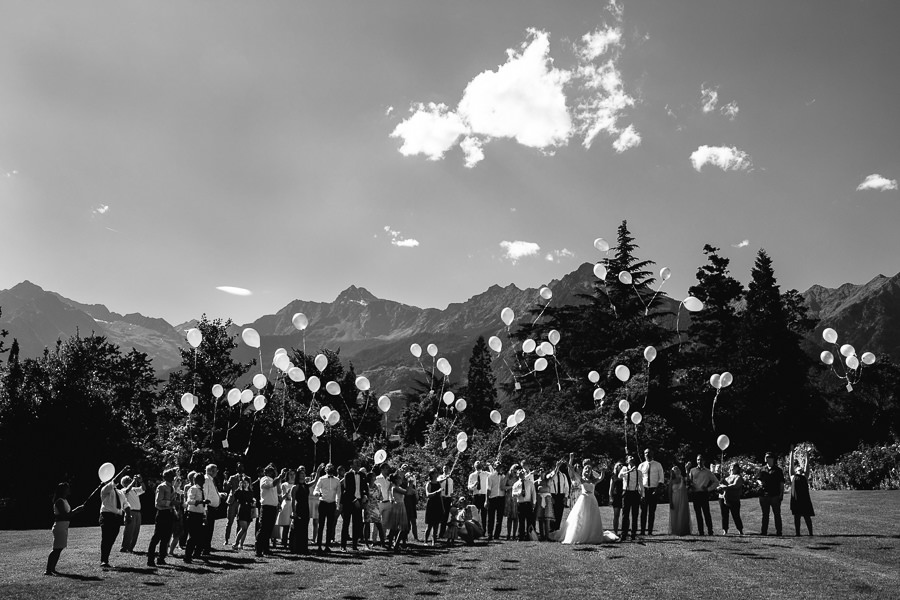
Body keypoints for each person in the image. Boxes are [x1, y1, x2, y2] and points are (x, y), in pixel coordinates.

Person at [551, 465, 619, 544]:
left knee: (592, 517)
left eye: (589, 469)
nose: (588, 470)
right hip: (583, 499)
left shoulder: (593, 480)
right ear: (584, 470)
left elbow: (601, 478)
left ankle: (591, 535)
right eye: (586, 468)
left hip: (592, 499)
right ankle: (578, 535)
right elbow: (573, 472)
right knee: (580, 517)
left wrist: (603, 471)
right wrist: (569, 464)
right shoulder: (582, 479)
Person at [46, 482, 83, 575]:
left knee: (59, 548)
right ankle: (48, 570)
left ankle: (52, 569)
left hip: (64, 526)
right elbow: (65, 515)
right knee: (56, 549)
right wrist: (76, 510)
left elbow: (68, 514)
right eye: (67, 488)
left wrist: (75, 511)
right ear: (63, 490)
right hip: (60, 526)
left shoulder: (64, 500)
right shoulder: (59, 501)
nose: (69, 489)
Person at [146, 467, 178, 567]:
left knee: (166, 538)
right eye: (172, 475)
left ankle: (161, 558)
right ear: (167, 477)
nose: (174, 477)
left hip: (169, 513)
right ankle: (150, 559)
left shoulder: (172, 487)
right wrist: (171, 502)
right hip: (162, 514)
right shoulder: (162, 487)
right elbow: (158, 502)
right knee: (157, 537)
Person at [99, 472, 131, 568]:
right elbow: (115, 481)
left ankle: (106, 558)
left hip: (117, 517)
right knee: (106, 538)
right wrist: (123, 471)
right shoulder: (105, 489)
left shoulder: (120, 492)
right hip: (107, 516)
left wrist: (128, 515)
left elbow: (126, 504)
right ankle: (104, 560)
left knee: (112, 538)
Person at [313, 463, 341, 553]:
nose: (330, 469)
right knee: (321, 525)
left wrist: (337, 505)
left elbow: (338, 494)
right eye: (328, 468)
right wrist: (317, 493)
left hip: (332, 504)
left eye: (331, 468)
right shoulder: (321, 479)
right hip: (323, 503)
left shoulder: (337, 480)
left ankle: (327, 545)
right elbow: (315, 490)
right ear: (325, 470)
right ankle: (319, 546)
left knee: (330, 526)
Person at [689, 454, 719, 536]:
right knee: (698, 514)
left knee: (706, 513)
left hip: (704, 494)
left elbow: (716, 482)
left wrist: (708, 489)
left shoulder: (708, 472)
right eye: (698, 460)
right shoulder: (692, 471)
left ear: (704, 461)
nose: (699, 461)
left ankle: (710, 531)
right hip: (695, 494)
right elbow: (689, 482)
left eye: (701, 460)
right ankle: (701, 531)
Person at [756, 451, 785, 536]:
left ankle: (779, 531)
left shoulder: (778, 470)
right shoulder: (762, 469)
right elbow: (758, 478)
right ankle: (764, 531)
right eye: (766, 457)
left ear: (772, 459)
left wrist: (781, 494)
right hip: (764, 495)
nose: (766, 459)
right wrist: (759, 482)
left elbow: (781, 483)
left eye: (768, 457)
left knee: (777, 514)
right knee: (765, 514)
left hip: (775, 495)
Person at [183, 472, 210, 563]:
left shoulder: (202, 490)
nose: (204, 482)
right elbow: (189, 501)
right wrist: (201, 501)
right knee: (193, 537)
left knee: (200, 536)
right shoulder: (193, 489)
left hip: (200, 514)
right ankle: (187, 556)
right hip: (192, 514)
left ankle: (196, 554)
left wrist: (204, 515)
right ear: (197, 480)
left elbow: (203, 506)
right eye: (202, 480)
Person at [638, 449, 665, 536]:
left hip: (654, 489)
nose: (647, 454)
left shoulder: (658, 465)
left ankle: (650, 531)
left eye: (649, 452)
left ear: (652, 454)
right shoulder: (641, 465)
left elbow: (661, 478)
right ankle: (642, 531)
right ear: (644, 455)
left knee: (652, 511)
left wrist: (657, 489)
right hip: (644, 489)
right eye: (645, 453)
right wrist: (640, 491)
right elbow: (638, 479)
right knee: (643, 511)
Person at [256, 465, 282, 557]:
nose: (273, 472)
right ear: (267, 472)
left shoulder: (274, 480)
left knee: (269, 529)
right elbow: (269, 486)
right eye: (271, 471)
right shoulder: (264, 478)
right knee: (263, 529)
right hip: (266, 507)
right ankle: (258, 549)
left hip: (273, 507)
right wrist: (279, 478)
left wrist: (279, 480)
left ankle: (266, 549)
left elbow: (279, 492)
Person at [340, 460, 366, 552]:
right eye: (356, 464)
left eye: (359, 463)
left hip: (359, 502)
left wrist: (364, 497)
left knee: (357, 524)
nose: (358, 465)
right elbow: (347, 490)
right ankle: (343, 546)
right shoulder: (348, 475)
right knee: (346, 524)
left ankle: (355, 546)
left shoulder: (362, 475)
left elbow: (364, 489)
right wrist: (354, 500)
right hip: (349, 502)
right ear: (351, 465)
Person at [789, 450, 815, 536]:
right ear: (796, 470)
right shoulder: (792, 476)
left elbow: (807, 465)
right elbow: (791, 465)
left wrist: (807, 455)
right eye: (797, 467)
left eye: (800, 467)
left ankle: (811, 533)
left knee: (807, 517)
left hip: (804, 499)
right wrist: (792, 453)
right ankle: (797, 533)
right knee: (797, 517)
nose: (799, 467)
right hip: (796, 499)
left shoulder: (805, 476)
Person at [383, 472, 409, 552]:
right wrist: (410, 484)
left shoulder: (397, 487)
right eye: (399, 478)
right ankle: (395, 545)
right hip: (398, 507)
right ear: (396, 480)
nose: (401, 479)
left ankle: (393, 545)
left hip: (399, 506)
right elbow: (407, 492)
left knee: (395, 528)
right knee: (400, 527)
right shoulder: (395, 487)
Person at [619, 455, 643, 541]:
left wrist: (642, 495)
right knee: (625, 514)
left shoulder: (639, 472)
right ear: (627, 461)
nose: (632, 458)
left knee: (635, 514)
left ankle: (633, 534)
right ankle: (624, 534)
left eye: (633, 457)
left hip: (635, 493)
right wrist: (629, 471)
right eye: (630, 457)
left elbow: (641, 483)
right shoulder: (624, 469)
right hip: (626, 493)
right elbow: (619, 476)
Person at [717, 463, 744, 536]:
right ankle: (725, 530)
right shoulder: (726, 477)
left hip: (733, 498)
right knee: (724, 515)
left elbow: (735, 485)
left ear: (737, 468)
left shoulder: (738, 477)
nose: (732, 468)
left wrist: (725, 487)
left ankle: (740, 529)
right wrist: (720, 486)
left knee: (735, 515)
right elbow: (719, 484)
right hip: (722, 497)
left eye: (734, 467)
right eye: (731, 466)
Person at [119, 474, 144, 553]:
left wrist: (141, 481)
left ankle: (130, 548)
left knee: (136, 531)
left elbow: (143, 489)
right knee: (129, 531)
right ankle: (124, 547)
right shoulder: (123, 490)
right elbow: (127, 490)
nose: (131, 481)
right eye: (129, 480)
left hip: (138, 512)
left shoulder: (134, 489)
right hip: (130, 512)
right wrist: (134, 481)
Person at [546, 456, 571, 533]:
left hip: (561, 496)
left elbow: (566, 486)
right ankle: (551, 530)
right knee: (552, 513)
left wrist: (566, 497)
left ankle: (557, 529)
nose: (557, 467)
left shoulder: (563, 475)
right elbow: (548, 485)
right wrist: (550, 497)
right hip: (553, 495)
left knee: (559, 513)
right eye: (555, 466)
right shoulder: (549, 475)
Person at [200, 464, 221, 554]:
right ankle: (205, 548)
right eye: (216, 471)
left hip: (211, 507)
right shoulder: (207, 479)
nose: (217, 472)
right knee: (207, 529)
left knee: (209, 528)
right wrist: (205, 509)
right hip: (208, 508)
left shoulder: (210, 479)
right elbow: (205, 494)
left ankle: (206, 547)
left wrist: (219, 495)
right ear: (212, 471)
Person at [290, 466, 311, 554]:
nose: (303, 475)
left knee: (305, 528)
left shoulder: (306, 485)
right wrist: (293, 511)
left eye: (304, 474)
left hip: (306, 508)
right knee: (298, 528)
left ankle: (304, 548)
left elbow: (316, 480)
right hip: (299, 508)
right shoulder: (295, 487)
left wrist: (318, 471)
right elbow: (293, 500)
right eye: (301, 474)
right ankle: (296, 548)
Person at [224, 463, 245, 546]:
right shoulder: (232, 477)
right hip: (232, 501)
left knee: (239, 523)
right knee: (229, 522)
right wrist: (225, 479)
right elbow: (226, 488)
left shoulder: (246, 478)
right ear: (237, 468)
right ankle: (226, 540)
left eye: (242, 466)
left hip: (241, 502)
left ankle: (237, 540)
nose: (241, 468)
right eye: (239, 467)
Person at [512, 467, 535, 541]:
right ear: (518, 474)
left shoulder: (530, 483)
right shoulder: (516, 484)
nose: (522, 473)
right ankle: (520, 536)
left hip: (528, 503)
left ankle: (528, 536)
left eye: (523, 472)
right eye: (520, 472)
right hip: (520, 504)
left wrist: (534, 502)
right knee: (521, 521)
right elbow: (513, 494)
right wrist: (519, 493)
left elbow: (533, 493)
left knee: (529, 520)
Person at [363, 470, 384, 548]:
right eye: (373, 476)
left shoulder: (378, 486)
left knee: (379, 524)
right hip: (367, 506)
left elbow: (380, 497)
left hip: (375, 507)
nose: (374, 477)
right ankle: (366, 543)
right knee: (367, 524)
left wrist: (380, 496)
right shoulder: (366, 486)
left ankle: (383, 543)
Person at [274, 468, 295, 549]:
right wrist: (286, 494)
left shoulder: (296, 484)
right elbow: (281, 497)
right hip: (286, 504)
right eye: (290, 474)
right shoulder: (284, 485)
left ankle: (291, 542)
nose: (292, 476)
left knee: (291, 525)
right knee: (284, 524)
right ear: (288, 476)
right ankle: (282, 541)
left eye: (293, 474)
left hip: (293, 505)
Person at [232, 477, 254, 550]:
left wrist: (253, 502)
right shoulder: (240, 491)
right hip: (242, 509)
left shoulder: (250, 491)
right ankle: (236, 543)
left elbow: (251, 500)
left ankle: (241, 545)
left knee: (246, 529)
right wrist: (239, 488)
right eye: (244, 483)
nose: (245, 484)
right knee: (243, 528)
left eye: (246, 483)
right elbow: (236, 497)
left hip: (248, 510)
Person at [467, 461, 489, 533]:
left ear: (482, 466)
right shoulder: (472, 475)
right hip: (476, 496)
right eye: (477, 465)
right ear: (474, 466)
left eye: (479, 465)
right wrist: (474, 485)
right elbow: (469, 487)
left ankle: (484, 531)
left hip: (484, 496)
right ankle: (475, 530)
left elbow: (493, 474)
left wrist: (490, 466)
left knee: (484, 515)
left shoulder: (486, 474)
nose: (478, 466)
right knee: (475, 514)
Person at [486, 461, 506, 541]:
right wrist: (486, 500)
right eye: (497, 466)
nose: (499, 467)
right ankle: (490, 534)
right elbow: (488, 489)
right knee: (490, 518)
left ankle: (497, 535)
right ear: (494, 467)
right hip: (492, 498)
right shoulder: (490, 476)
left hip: (501, 498)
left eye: (500, 466)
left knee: (499, 518)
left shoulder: (503, 476)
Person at [668, 464, 690, 535]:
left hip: (683, 498)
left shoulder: (682, 478)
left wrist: (687, 470)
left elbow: (688, 482)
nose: (676, 469)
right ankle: (676, 530)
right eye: (674, 469)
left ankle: (684, 530)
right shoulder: (671, 481)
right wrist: (670, 502)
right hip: (675, 499)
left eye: (677, 468)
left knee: (683, 513)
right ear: (672, 472)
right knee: (675, 514)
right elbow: (669, 492)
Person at [423, 468, 443, 546]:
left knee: (436, 525)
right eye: (434, 473)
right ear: (431, 474)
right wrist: (436, 492)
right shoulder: (429, 483)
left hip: (438, 504)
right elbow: (428, 495)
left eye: (436, 473)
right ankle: (425, 541)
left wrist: (442, 507)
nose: (436, 474)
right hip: (431, 504)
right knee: (430, 525)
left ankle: (434, 542)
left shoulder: (438, 483)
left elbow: (440, 496)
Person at [437, 464, 454, 539]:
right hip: (441, 498)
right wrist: (445, 478)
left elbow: (451, 491)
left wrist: (451, 500)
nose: (445, 469)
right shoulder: (440, 477)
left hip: (448, 498)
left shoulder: (451, 480)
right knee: (439, 516)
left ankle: (442, 533)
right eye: (444, 468)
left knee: (446, 516)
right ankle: (435, 533)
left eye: (447, 468)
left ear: (449, 469)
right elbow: (438, 483)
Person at [403, 466, 420, 542]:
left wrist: (416, 493)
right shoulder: (403, 485)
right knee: (406, 522)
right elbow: (407, 493)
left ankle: (416, 537)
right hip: (406, 505)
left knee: (414, 522)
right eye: (408, 476)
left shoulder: (413, 486)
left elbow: (416, 499)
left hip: (412, 505)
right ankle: (405, 537)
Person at [505, 464, 520, 541]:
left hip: (516, 496)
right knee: (509, 517)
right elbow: (503, 486)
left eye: (516, 469)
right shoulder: (508, 475)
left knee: (516, 517)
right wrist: (512, 487)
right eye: (514, 468)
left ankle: (514, 534)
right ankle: (508, 534)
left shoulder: (519, 475)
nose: (515, 470)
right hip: (509, 496)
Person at [609, 462, 624, 536]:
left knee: (625, 515)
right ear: (616, 467)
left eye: (621, 465)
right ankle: (615, 532)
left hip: (624, 496)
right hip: (616, 496)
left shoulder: (625, 475)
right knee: (616, 515)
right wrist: (611, 497)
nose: (621, 466)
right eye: (619, 465)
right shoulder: (613, 477)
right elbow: (611, 489)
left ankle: (624, 532)